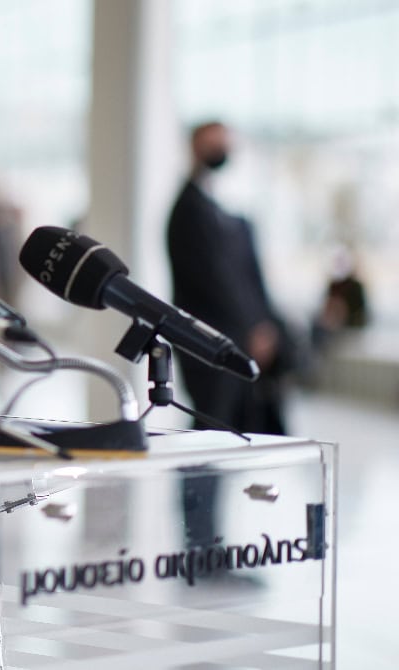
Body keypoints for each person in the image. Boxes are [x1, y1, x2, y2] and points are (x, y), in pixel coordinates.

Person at [167, 120, 293, 550]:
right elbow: (214, 282)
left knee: (222, 440)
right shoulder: (188, 208)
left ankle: (210, 541)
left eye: (225, 143)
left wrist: (264, 325)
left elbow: (244, 279)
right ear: (194, 147)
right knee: (208, 436)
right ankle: (199, 543)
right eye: (213, 143)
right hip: (211, 348)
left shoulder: (217, 207)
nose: (222, 150)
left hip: (232, 343)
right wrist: (249, 330)